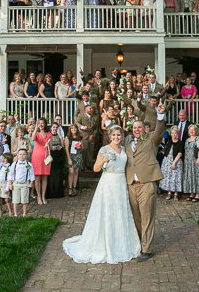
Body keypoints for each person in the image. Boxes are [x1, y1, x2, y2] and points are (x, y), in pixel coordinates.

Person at [63, 125, 142, 264]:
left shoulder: (123, 149)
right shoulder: (104, 149)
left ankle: (121, 242)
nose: (116, 137)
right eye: (114, 135)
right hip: (109, 183)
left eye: (119, 135)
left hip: (121, 182)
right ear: (110, 136)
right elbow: (95, 168)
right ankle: (105, 243)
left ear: (122, 136)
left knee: (121, 212)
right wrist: (104, 160)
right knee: (108, 212)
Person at [123, 103, 167, 262]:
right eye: (134, 127)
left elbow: (160, 132)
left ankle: (147, 250)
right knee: (137, 218)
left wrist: (160, 116)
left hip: (147, 183)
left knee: (147, 217)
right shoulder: (127, 141)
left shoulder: (152, 139)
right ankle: (140, 244)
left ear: (144, 129)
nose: (137, 130)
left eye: (139, 127)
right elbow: (114, 135)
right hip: (131, 185)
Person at [30, 118, 52, 204]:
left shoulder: (49, 134)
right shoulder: (36, 133)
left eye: (42, 123)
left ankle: (43, 196)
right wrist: (36, 128)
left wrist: (56, 147)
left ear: (45, 124)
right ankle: (38, 196)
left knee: (45, 178)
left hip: (45, 157)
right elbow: (33, 138)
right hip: (36, 157)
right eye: (39, 123)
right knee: (37, 178)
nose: (41, 125)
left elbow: (51, 147)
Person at [8, 149, 35, 217]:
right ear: (17, 155)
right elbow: (10, 174)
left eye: (23, 154)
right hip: (16, 184)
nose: (21, 156)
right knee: (15, 200)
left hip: (25, 184)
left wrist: (31, 183)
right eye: (20, 154)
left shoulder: (28, 164)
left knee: (24, 200)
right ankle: (16, 214)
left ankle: (24, 214)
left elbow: (31, 174)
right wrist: (10, 184)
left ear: (26, 156)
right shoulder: (14, 164)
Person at [159, 126, 184, 201]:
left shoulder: (180, 142)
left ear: (177, 134)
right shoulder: (168, 140)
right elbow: (161, 141)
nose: (173, 134)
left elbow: (180, 153)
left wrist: (174, 163)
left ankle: (176, 193)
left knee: (176, 177)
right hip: (167, 160)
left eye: (175, 133)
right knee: (168, 176)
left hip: (175, 161)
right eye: (172, 133)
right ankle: (169, 192)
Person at [182, 124, 199, 202]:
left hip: (196, 161)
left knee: (197, 177)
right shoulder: (187, 140)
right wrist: (185, 161)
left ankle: (198, 194)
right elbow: (185, 151)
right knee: (190, 177)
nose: (191, 131)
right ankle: (192, 193)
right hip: (189, 162)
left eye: (193, 130)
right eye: (190, 130)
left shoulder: (198, 139)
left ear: (196, 131)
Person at [47, 124, 67, 199]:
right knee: (51, 174)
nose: (55, 128)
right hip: (52, 156)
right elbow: (48, 146)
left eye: (56, 127)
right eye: (54, 127)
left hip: (58, 156)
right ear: (51, 128)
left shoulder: (60, 136)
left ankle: (57, 192)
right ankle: (51, 192)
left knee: (58, 174)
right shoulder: (49, 136)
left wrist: (60, 147)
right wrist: (52, 148)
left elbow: (62, 146)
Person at [64, 126, 83, 196]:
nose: (73, 130)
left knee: (76, 172)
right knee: (71, 172)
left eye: (75, 128)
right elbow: (66, 148)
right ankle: (70, 188)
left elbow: (82, 147)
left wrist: (80, 147)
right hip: (70, 156)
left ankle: (74, 187)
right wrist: (68, 159)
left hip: (78, 155)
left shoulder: (79, 137)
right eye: (72, 129)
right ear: (70, 130)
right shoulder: (68, 137)